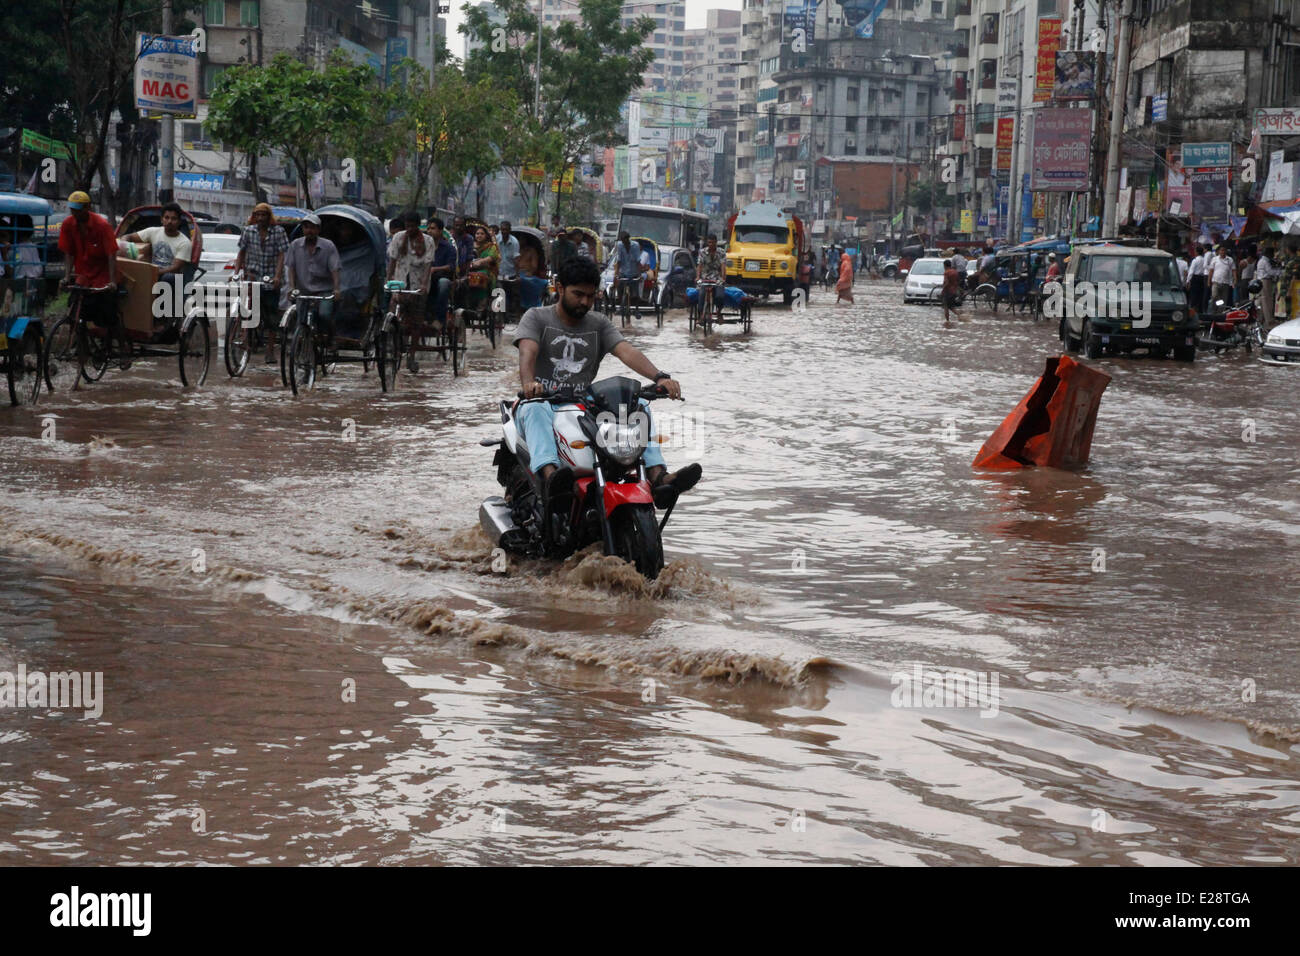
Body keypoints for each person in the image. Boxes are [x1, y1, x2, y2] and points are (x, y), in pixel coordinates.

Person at [513, 256, 700, 522]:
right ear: (559, 287)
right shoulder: (536, 317)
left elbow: (627, 351)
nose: (585, 303)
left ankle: (658, 476)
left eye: (591, 296)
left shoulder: (598, 323)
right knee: (535, 409)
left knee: (639, 405)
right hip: (542, 403)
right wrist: (529, 385)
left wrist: (660, 377)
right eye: (578, 294)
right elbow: (527, 353)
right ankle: (551, 476)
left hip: (582, 407)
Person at [57, 190, 123, 357]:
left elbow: (111, 254)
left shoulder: (101, 226)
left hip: (103, 275)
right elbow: (69, 253)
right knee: (75, 306)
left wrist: (112, 282)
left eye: (78, 209)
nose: (75, 213)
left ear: (87, 207)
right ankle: (80, 343)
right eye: (73, 209)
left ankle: (113, 343)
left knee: (107, 310)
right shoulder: (68, 225)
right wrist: (66, 276)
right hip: (84, 275)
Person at [234, 202, 289, 363]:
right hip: (252, 276)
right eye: (257, 215)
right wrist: (236, 273)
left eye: (263, 215)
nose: (260, 218)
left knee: (271, 316)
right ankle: (246, 340)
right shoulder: (248, 231)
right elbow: (241, 253)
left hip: (271, 278)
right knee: (247, 310)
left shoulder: (278, 232)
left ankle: (270, 350)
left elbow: (281, 255)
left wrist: (278, 276)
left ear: (268, 216)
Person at [122, 200, 192, 322]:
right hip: (151, 273)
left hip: (172, 278)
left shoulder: (184, 242)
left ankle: (161, 320)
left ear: (179, 222)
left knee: (167, 278)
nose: (169, 221)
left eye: (174, 219)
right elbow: (128, 236)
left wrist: (153, 272)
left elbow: (176, 267)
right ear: (162, 220)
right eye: (167, 218)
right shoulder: (153, 232)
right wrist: (125, 245)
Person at [286, 213, 342, 341]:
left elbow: (335, 269)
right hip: (304, 289)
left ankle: (331, 338)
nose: (309, 230)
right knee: (301, 319)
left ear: (318, 229)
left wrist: (337, 288)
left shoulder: (328, 246)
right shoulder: (295, 245)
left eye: (312, 227)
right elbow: (291, 268)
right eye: (306, 227)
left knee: (325, 315)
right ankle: (301, 343)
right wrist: (291, 287)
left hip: (324, 290)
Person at [424, 217, 459, 329]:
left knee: (443, 284)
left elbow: (451, 266)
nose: (429, 231)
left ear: (440, 231)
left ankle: (439, 319)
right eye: (428, 228)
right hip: (424, 278)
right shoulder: (422, 247)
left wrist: (435, 269)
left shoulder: (448, 248)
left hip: (441, 278)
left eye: (433, 228)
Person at [696, 233, 726, 317]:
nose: (711, 244)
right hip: (705, 278)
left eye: (713, 242)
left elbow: (723, 266)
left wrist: (723, 278)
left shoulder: (721, 252)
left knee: (720, 296)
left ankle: (719, 312)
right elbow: (699, 265)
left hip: (717, 278)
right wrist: (698, 277)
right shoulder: (702, 252)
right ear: (707, 243)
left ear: (716, 242)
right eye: (709, 242)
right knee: (701, 295)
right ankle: (700, 315)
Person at [497, 220, 521, 314]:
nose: (504, 232)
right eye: (502, 230)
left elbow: (516, 260)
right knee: (499, 293)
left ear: (510, 230)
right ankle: (499, 315)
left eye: (506, 230)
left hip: (511, 273)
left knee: (513, 294)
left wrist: (518, 276)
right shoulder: (496, 239)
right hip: (498, 273)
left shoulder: (514, 242)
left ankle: (514, 314)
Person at [612, 231, 642, 304]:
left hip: (634, 271)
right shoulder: (620, 245)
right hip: (623, 271)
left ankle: (636, 308)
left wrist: (639, 274)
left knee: (635, 294)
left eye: (625, 240)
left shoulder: (636, 245)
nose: (624, 243)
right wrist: (616, 273)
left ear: (628, 239)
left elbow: (638, 261)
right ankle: (619, 302)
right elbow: (619, 260)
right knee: (620, 288)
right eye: (622, 240)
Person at [1257, 245, 1277, 327]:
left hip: (1264, 281)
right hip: (1265, 281)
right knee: (1267, 302)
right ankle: (1269, 321)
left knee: (1263, 301)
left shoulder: (1263, 260)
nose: (1273, 255)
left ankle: (1260, 319)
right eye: (1272, 253)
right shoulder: (1265, 261)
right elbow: (1270, 272)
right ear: (1269, 253)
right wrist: (1280, 272)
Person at [941, 258, 965, 328]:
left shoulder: (946, 272)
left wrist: (943, 289)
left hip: (948, 291)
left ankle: (947, 321)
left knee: (946, 307)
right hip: (954, 291)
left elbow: (946, 282)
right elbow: (957, 282)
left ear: (945, 265)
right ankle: (961, 317)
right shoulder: (955, 272)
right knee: (951, 307)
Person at [1210, 244, 1236, 310]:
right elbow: (1211, 270)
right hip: (1216, 281)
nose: (1223, 252)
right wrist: (1208, 281)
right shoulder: (1214, 259)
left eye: (1224, 250)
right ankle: (1214, 310)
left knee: (1223, 300)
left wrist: (1235, 279)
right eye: (1221, 250)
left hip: (1225, 283)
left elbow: (1234, 270)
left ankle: (1220, 313)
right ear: (1219, 251)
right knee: (1214, 296)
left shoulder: (1230, 260)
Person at [1185, 243, 1208, 316]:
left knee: (1194, 295)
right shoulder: (1204, 260)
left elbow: (1191, 271)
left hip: (1195, 278)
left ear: (1197, 252)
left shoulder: (1195, 260)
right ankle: (1200, 311)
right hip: (1202, 278)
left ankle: (1192, 310)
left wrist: (1188, 281)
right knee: (1201, 295)